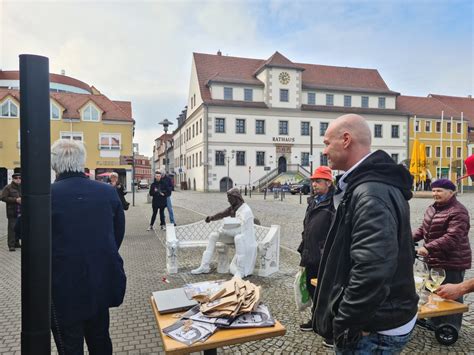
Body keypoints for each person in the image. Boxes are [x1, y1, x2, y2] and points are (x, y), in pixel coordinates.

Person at [313, 114, 418, 353]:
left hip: (375, 328)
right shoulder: (369, 185)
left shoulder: (371, 192)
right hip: (381, 318)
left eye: (327, 143)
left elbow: (373, 268)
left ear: (346, 139)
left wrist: (346, 322)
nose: (325, 150)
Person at [50, 139, 126, 354]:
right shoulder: (106, 192)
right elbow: (117, 234)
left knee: (69, 345)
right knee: (100, 339)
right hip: (99, 280)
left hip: (62, 286)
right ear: (82, 161)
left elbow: (28, 238)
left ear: (54, 164)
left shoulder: (45, 196)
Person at [413, 178, 471, 332]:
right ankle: (435, 322)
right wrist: (407, 239)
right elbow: (423, 229)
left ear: (451, 193)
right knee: (433, 292)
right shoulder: (433, 208)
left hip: (452, 261)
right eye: (433, 190)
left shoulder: (458, 211)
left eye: (439, 191)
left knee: (450, 295)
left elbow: (452, 237)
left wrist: (427, 248)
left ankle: (451, 327)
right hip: (434, 260)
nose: (435, 194)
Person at [297, 166, 335, 334]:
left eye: (318, 181)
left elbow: (335, 233)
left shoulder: (334, 203)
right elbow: (308, 227)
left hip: (325, 257)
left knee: (326, 293)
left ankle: (328, 329)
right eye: (313, 181)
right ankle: (315, 321)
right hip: (310, 254)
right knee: (313, 291)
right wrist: (303, 249)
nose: (314, 185)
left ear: (328, 182)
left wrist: (325, 251)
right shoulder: (313, 201)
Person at [191, 188, 257, 278]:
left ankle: (240, 271)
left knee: (238, 238)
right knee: (213, 236)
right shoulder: (233, 208)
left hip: (244, 238)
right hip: (234, 235)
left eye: (229, 198)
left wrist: (225, 230)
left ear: (236, 197)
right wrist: (211, 218)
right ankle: (204, 266)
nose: (228, 200)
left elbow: (242, 230)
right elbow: (222, 214)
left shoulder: (246, 210)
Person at [1, 173, 22, 251]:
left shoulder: (22, 187)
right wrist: (15, 200)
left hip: (21, 210)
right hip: (12, 211)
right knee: (12, 228)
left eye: (20, 178)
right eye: (16, 178)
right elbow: (3, 197)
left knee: (19, 227)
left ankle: (17, 243)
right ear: (13, 179)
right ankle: (11, 245)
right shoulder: (8, 187)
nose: (18, 179)